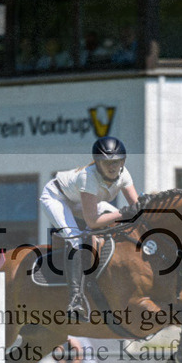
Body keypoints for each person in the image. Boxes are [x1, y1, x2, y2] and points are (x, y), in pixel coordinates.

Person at [38, 136, 139, 318]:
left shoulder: (124, 174)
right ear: (97, 163)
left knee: (115, 218)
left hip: (79, 200)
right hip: (56, 197)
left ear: (122, 162)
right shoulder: (88, 177)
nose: (112, 167)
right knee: (75, 238)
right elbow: (92, 221)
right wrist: (124, 213)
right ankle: (75, 299)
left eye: (116, 162)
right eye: (106, 162)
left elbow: (137, 208)